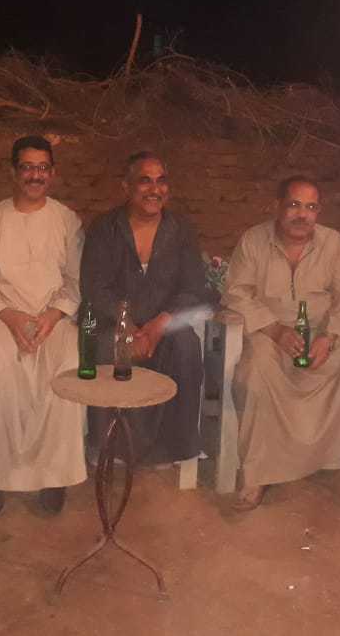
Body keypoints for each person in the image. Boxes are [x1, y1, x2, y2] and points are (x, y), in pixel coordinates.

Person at [223, 175, 340, 510]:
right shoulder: (253, 241)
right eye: (294, 205)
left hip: (321, 337)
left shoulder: (333, 243)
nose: (302, 215)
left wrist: (330, 337)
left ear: (318, 212)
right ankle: (257, 474)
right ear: (277, 207)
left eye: (311, 207)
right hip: (271, 335)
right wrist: (276, 331)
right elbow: (236, 294)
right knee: (255, 367)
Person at [0, 135, 85, 520]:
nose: (35, 175)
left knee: (69, 362)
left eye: (42, 168)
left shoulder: (67, 219)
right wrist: (12, 318)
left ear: (53, 173)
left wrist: (52, 316)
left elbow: (76, 282)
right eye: (27, 167)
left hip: (52, 316)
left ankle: (55, 476)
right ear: (14, 172)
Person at [80, 151, 207, 465]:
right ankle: (110, 448)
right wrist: (128, 326)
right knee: (107, 347)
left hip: (164, 322)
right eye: (145, 181)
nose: (154, 189)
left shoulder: (181, 229)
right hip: (114, 322)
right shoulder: (105, 228)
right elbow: (95, 287)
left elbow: (193, 286)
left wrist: (159, 325)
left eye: (161, 181)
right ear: (127, 186)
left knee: (186, 346)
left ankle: (175, 448)